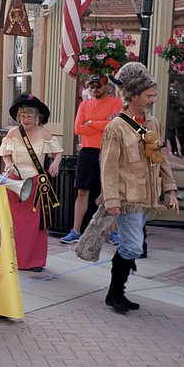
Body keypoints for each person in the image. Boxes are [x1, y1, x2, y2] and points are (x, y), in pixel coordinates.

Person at [100, 62, 178, 313]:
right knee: (133, 246)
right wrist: (111, 199)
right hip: (126, 198)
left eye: (154, 95)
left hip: (148, 196)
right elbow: (108, 168)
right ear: (134, 96)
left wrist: (171, 189)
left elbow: (161, 158)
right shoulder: (115, 128)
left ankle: (116, 291)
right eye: (149, 95)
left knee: (131, 245)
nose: (153, 100)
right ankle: (115, 293)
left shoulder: (153, 124)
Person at [0, 93, 63, 272]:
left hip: (36, 183)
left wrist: (56, 164)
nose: (25, 119)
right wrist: (9, 164)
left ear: (37, 117)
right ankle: (14, 259)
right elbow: (5, 153)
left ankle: (35, 261)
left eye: (29, 116)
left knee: (35, 225)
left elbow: (57, 153)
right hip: (15, 183)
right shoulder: (13, 133)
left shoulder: (44, 133)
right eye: (22, 116)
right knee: (15, 224)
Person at [61, 75, 121, 245]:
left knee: (108, 192)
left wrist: (90, 123)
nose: (95, 90)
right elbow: (77, 129)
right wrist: (101, 124)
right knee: (82, 192)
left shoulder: (116, 102)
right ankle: (76, 231)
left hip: (108, 151)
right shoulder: (85, 104)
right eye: (92, 87)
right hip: (87, 152)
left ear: (106, 86)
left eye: (98, 87)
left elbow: (113, 126)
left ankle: (114, 233)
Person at [166, 79, 184, 158]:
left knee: (173, 133)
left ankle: (175, 150)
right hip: (175, 115)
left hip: (171, 115)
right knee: (178, 133)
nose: (177, 84)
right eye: (176, 83)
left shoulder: (169, 91)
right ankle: (179, 150)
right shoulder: (174, 92)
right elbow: (178, 102)